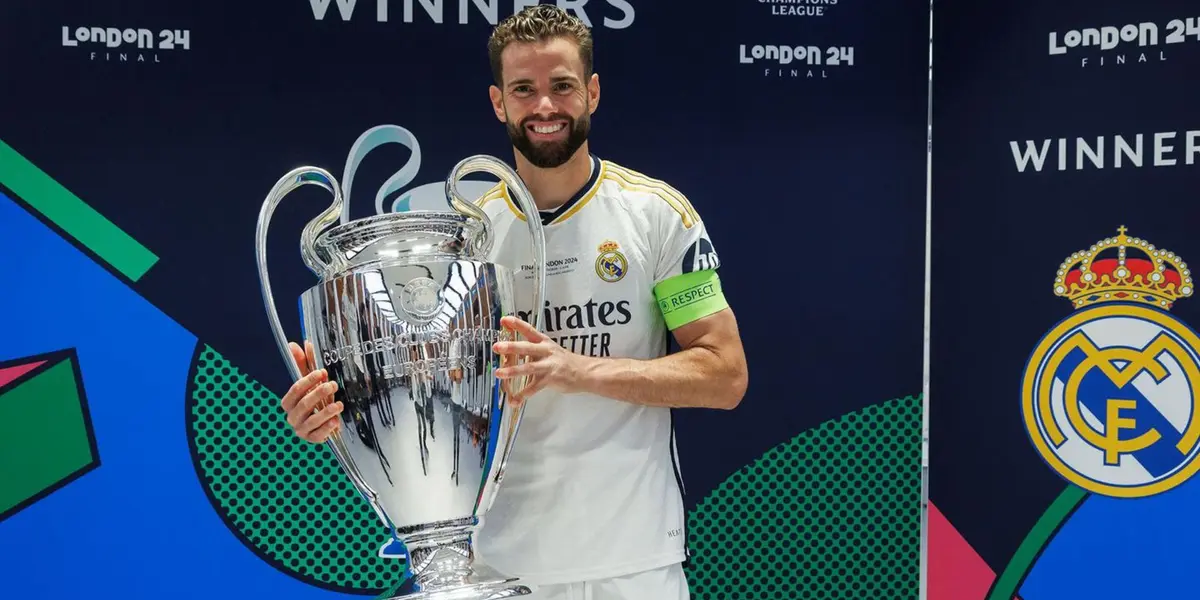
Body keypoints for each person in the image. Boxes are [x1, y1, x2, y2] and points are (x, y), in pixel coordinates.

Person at [277, 5, 748, 599]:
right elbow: (422, 393)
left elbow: (724, 374)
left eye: (562, 87)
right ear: (499, 102)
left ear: (593, 93)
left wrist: (577, 369)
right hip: (500, 570)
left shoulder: (657, 216)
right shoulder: (464, 243)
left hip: (635, 566)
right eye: (524, 89)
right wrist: (339, 421)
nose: (545, 107)